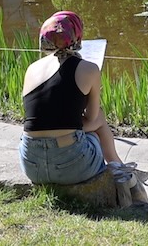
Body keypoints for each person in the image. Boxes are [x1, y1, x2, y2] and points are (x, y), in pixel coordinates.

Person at [19, 11, 125, 185]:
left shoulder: (32, 69)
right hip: (72, 165)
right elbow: (92, 117)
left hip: (32, 165)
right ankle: (120, 170)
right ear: (77, 37)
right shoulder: (89, 69)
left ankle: (119, 168)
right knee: (99, 117)